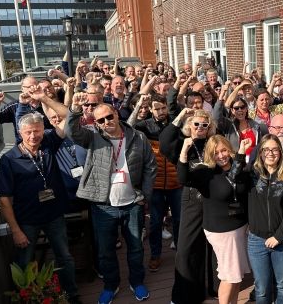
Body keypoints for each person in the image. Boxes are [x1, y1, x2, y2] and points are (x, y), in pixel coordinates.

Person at [65, 100, 157, 304]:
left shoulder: (138, 137)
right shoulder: (93, 137)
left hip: (133, 204)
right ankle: (110, 285)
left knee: (136, 248)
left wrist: (145, 195)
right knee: (105, 251)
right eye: (101, 120)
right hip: (103, 206)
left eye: (109, 116)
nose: (107, 121)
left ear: (116, 114)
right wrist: (74, 111)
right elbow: (71, 132)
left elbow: (151, 166)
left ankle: (137, 281)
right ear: (96, 123)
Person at [0, 109, 80, 303]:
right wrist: (15, 230)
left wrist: (47, 96)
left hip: (54, 215)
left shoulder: (48, 145)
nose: (33, 136)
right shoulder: (9, 160)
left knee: (64, 257)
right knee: (25, 263)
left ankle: (71, 296)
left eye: (37, 131)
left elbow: (66, 115)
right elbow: (4, 199)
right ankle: (28, 300)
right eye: (28, 132)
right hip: (27, 221)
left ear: (43, 130)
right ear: (19, 133)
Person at [178, 135, 252, 304]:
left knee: (236, 275)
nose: (221, 155)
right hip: (222, 231)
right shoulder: (205, 172)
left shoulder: (237, 167)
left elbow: (237, 180)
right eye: (216, 152)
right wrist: (184, 151)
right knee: (229, 276)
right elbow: (183, 178)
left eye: (224, 150)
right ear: (210, 155)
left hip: (240, 227)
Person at [160, 109, 217, 304]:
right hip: (191, 200)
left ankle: (210, 289)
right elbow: (165, 141)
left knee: (211, 248)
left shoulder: (213, 144)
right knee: (186, 249)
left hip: (212, 201)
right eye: (196, 124)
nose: (200, 128)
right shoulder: (182, 145)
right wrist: (182, 115)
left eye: (204, 125)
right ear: (189, 126)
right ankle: (183, 295)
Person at [128, 94, 182, 272]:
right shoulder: (145, 126)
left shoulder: (176, 123)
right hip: (156, 184)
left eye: (163, 108)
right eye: (156, 108)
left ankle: (182, 253)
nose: (160, 111)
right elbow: (128, 126)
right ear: (150, 109)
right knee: (156, 222)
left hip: (176, 182)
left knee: (179, 220)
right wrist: (139, 106)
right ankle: (156, 255)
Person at [246, 134, 283, 304]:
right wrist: (242, 152)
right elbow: (233, 176)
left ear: (281, 152)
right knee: (261, 288)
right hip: (257, 240)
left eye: (275, 149)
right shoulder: (251, 176)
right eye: (266, 149)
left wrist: (278, 236)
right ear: (260, 152)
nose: (271, 153)